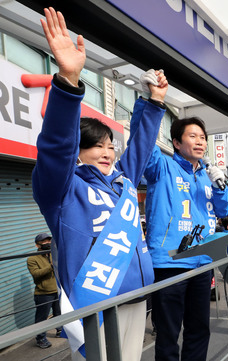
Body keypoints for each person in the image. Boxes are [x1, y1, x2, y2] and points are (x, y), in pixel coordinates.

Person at [32, 8, 167, 360]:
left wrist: (154, 103)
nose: (107, 152)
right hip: (94, 303)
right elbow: (56, 146)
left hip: (136, 295)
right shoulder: (60, 189)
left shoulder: (122, 181)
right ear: (77, 150)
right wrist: (67, 81)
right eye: (96, 145)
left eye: (110, 145)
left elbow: (139, 146)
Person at [144, 115, 228, 359]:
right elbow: (144, 145)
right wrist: (153, 105)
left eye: (203, 137)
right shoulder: (162, 167)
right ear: (176, 143)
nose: (200, 142)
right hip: (170, 263)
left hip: (202, 262)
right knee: (168, 334)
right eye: (192, 136)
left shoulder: (207, 175)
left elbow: (222, 211)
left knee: (199, 329)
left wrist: (220, 187)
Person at [27, 233, 62, 349]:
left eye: (49, 241)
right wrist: (51, 266)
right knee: (42, 318)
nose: (47, 243)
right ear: (37, 245)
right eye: (44, 242)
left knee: (58, 314)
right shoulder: (32, 259)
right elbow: (36, 274)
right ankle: (40, 339)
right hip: (43, 294)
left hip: (57, 291)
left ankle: (60, 330)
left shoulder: (53, 254)